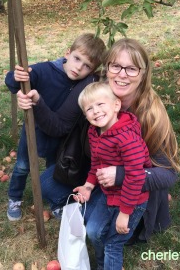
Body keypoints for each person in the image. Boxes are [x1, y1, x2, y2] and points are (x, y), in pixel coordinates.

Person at [23, 38, 180, 244]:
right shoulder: (94, 91)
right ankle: (89, 208)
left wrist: (121, 174)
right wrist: (36, 102)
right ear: (107, 68)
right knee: (46, 184)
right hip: (96, 175)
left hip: (131, 188)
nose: (122, 74)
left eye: (132, 69)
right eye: (116, 66)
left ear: (143, 74)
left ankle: (115, 220)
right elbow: (60, 125)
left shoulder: (151, 113)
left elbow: (169, 173)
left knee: (95, 230)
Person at [4, 33, 106, 221]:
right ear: (67, 53)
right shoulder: (45, 70)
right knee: (22, 166)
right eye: (77, 59)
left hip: (59, 139)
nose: (78, 68)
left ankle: (56, 203)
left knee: (55, 169)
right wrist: (14, 77)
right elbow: (15, 82)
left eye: (87, 66)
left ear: (92, 71)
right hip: (33, 132)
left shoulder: (83, 85)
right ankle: (15, 198)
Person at [73, 82, 152, 269]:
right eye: (89, 109)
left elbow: (136, 176)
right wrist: (88, 186)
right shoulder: (95, 132)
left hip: (133, 199)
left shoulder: (126, 138)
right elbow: (97, 164)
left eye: (101, 104)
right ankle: (102, 265)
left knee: (113, 244)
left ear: (116, 105)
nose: (96, 111)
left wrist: (125, 214)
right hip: (110, 194)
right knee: (92, 231)